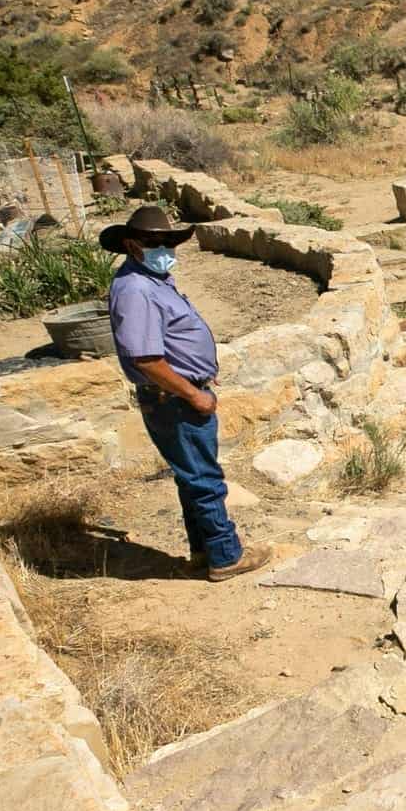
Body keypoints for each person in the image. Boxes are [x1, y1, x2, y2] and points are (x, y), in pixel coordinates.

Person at [99, 205, 273, 581]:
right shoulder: (135, 290)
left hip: (178, 394)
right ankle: (226, 556)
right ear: (132, 245)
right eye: (154, 242)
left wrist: (199, 373)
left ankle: (203, 550)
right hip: (174, 401)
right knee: (204, 479)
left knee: (192, 476)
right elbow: (146, 359)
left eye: (169, 242)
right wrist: (192, 393)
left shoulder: (152, 280)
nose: (164, 249)